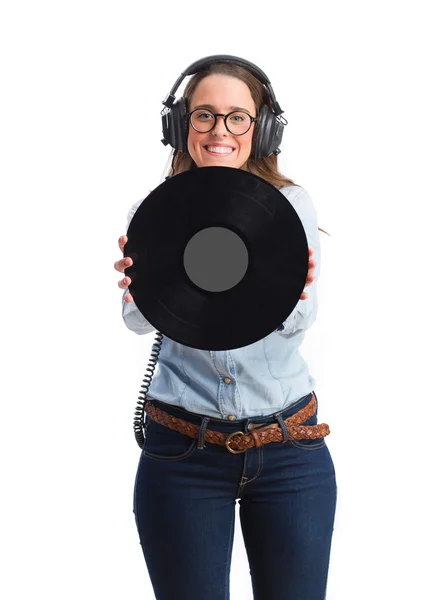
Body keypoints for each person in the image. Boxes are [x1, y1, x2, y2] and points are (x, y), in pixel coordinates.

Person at [114, 57, 337, 600]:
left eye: (238, 117)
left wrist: (283, 279)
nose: (220, 131)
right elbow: (137, 322)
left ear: (260, 129)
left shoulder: (290, 206)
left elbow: (298, 322)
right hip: (182, 452)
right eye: (204, 115)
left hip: (289, 447)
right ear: (179, 125)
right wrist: (148, 282)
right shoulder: (153, 212)